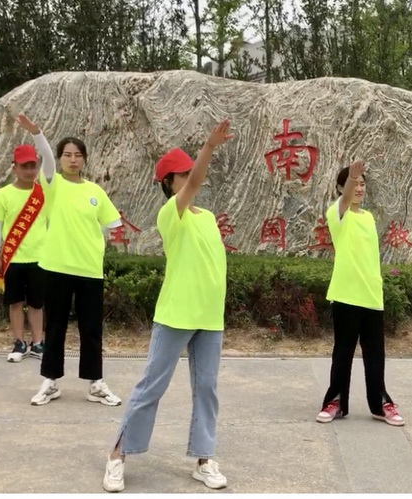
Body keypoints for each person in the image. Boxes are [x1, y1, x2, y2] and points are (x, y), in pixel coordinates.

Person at [103, 121, 234, 493]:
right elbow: (193, 186)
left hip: (209, 317)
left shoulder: (208, 219)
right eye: (184, 174)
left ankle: (204, 459)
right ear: (169, 183)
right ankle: (117, 455)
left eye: (191, 171)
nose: (192, 178)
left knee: (206, 388)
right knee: (151, 387)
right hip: (177, 313)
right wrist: (209, 147)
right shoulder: (170, 215)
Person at [14, 114, 124, 406]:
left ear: (84, 159)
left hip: (89, 270)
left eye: (78, 155)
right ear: (60, 159)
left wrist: (95, 243)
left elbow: (112, 224)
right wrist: (37, 133)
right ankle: (50, 381)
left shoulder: (95, 191)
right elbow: (47, 160)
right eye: (67, 155)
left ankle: (95, 384)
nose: (72, 160)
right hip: (56, 267)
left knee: (91, 329)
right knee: (56, 327)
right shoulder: (52, 184)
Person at [315, 161, 404, 427]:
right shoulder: (337, 213)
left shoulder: (368, 217)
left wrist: (377, 286)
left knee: (375, 355)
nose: (359, 188)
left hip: (371, 295)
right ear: (341, 188)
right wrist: (352, 177)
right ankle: (335, 402)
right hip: (346, 294)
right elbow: (344, 200)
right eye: (354, 184)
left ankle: (380, 404)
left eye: (363, 184)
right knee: (343, 352)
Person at [0, 144, 48, 362]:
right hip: (12, 258)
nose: (29, 171)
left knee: (36, 304)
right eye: (24, 166)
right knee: (15, 302)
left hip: (39, 257)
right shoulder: (3, 194)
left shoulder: (44, 194)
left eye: (33, 166)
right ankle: (19, 342)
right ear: (14, 168)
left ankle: (38, 343)